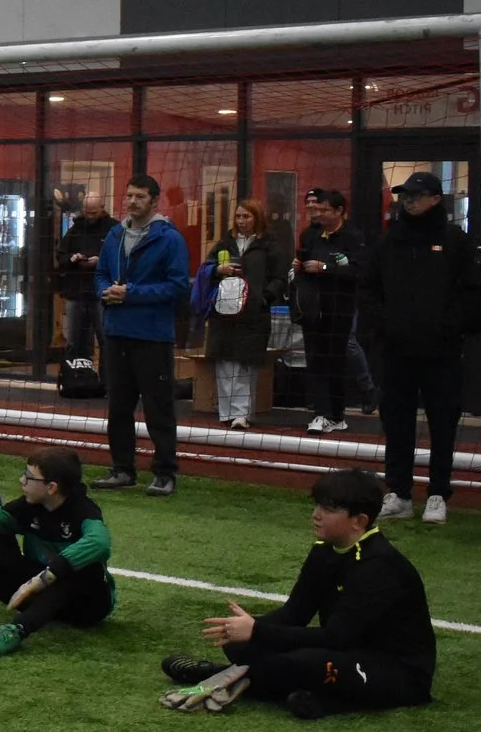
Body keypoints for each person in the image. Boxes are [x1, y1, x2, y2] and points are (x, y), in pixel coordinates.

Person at [158, 469, 435, 719]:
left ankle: (216, 675)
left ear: (358, 521)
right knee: (238, 644)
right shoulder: (324, 549)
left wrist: (258, 630)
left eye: (328, 509)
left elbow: (337, 636)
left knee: (300, 663)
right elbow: (296, 613)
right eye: (317, 505)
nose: (316, 514)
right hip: (345, 652)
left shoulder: (378, 566)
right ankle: (283, 685)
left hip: (396, 671)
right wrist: (250, 629)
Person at [359, 174, 476, 526]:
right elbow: (368, 290)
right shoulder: (389, 242)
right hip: (396, 351)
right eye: (404, 195)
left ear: (436, 199)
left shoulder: (455, 241)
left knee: (443, 422)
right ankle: (399, 492)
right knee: (396, 421)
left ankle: (438, 493)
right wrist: (386, 325)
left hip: (441, 352)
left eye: (416, 195)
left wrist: (448, 327)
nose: (408, 201)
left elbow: (469, 292)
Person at [0, 447, 113, 656]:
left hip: (84, 607)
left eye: (29, 477)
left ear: (51, 487)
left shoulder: (84, 511)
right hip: (33, 595)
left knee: (86, 567)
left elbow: (100, 543)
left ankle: (17, 630)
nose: (21, 480)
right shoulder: (26, 508)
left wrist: (44, 578)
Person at [96, 174, 188, 497]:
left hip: (152, 336)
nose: (132, 202)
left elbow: (178, 286)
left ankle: (165, 473)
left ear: (154, 200)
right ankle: (122, 469)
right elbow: (101, 274)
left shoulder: (170, 239)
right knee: (118, 406)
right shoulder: (114, 235)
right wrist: (105, 291)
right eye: (129, 195)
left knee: (157, 408)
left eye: (139, 197)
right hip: (117, 332)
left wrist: (131, 293)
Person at [200, 201, 284, 432]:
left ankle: (242, 413)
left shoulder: (269, 246)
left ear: (257, 218)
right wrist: (218, 270)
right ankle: (226, 412)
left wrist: (265, 297)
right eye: (238, 216)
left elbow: (279, 277)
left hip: (253, 314)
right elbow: (207, 266)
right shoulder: (225, 243)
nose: (241, 221)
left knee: (245, 362)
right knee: (224, 361)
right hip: (223, 312)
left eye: (246, 216)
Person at [293, 187, 368, 431]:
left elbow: (358, 272)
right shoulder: (310, 235)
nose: (320, 214)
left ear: (339, 211)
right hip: (312, 309)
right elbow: (302, 265)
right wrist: (298, 267)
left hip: (340, 309)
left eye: (325, 210)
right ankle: (320, 412)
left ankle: (337, 415)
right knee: (315, 360)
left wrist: (325, 268)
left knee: (335, 361)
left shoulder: (353, 237)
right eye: (318, 209)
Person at [55, 192, 115, 361]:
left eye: (94, 213)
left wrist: (101, 261)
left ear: (102, 208)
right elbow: (61, 256)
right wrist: (73, 259)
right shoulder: (75, 229)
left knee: (106, 340)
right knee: (74, 342)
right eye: (87, 212)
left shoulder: (113, 229)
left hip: (102, 293)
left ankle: (105, 381)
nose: (90, 217)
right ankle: (76, 379)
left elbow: (121, 259)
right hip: (77, 292)